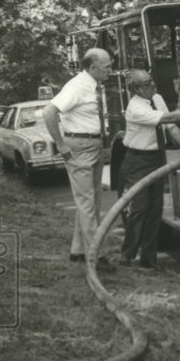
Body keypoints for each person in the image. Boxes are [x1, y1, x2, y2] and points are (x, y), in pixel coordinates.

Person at [119, 69, 180, 269]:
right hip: (138, 160)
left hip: (156, 157)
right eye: (147, 84)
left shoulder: (157, 98)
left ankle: (148, 260)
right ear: (135, 89)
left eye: (152, 81)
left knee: (155, 210)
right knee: (139, 208)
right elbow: (168, 119)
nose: (153, 86)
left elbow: (171, 128)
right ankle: (127, 256)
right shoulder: (135, 108)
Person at [43, 48, 113, 266]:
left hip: (93, 144)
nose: (111, 70)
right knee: (87, 203)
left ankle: (78, 251)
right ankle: (96, 256)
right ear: (92, 67)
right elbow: (49, 112)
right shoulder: (77, 86)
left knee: (91, 201)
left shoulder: (93, 85)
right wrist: (61, 145)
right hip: (80, 147)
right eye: (107, 66)